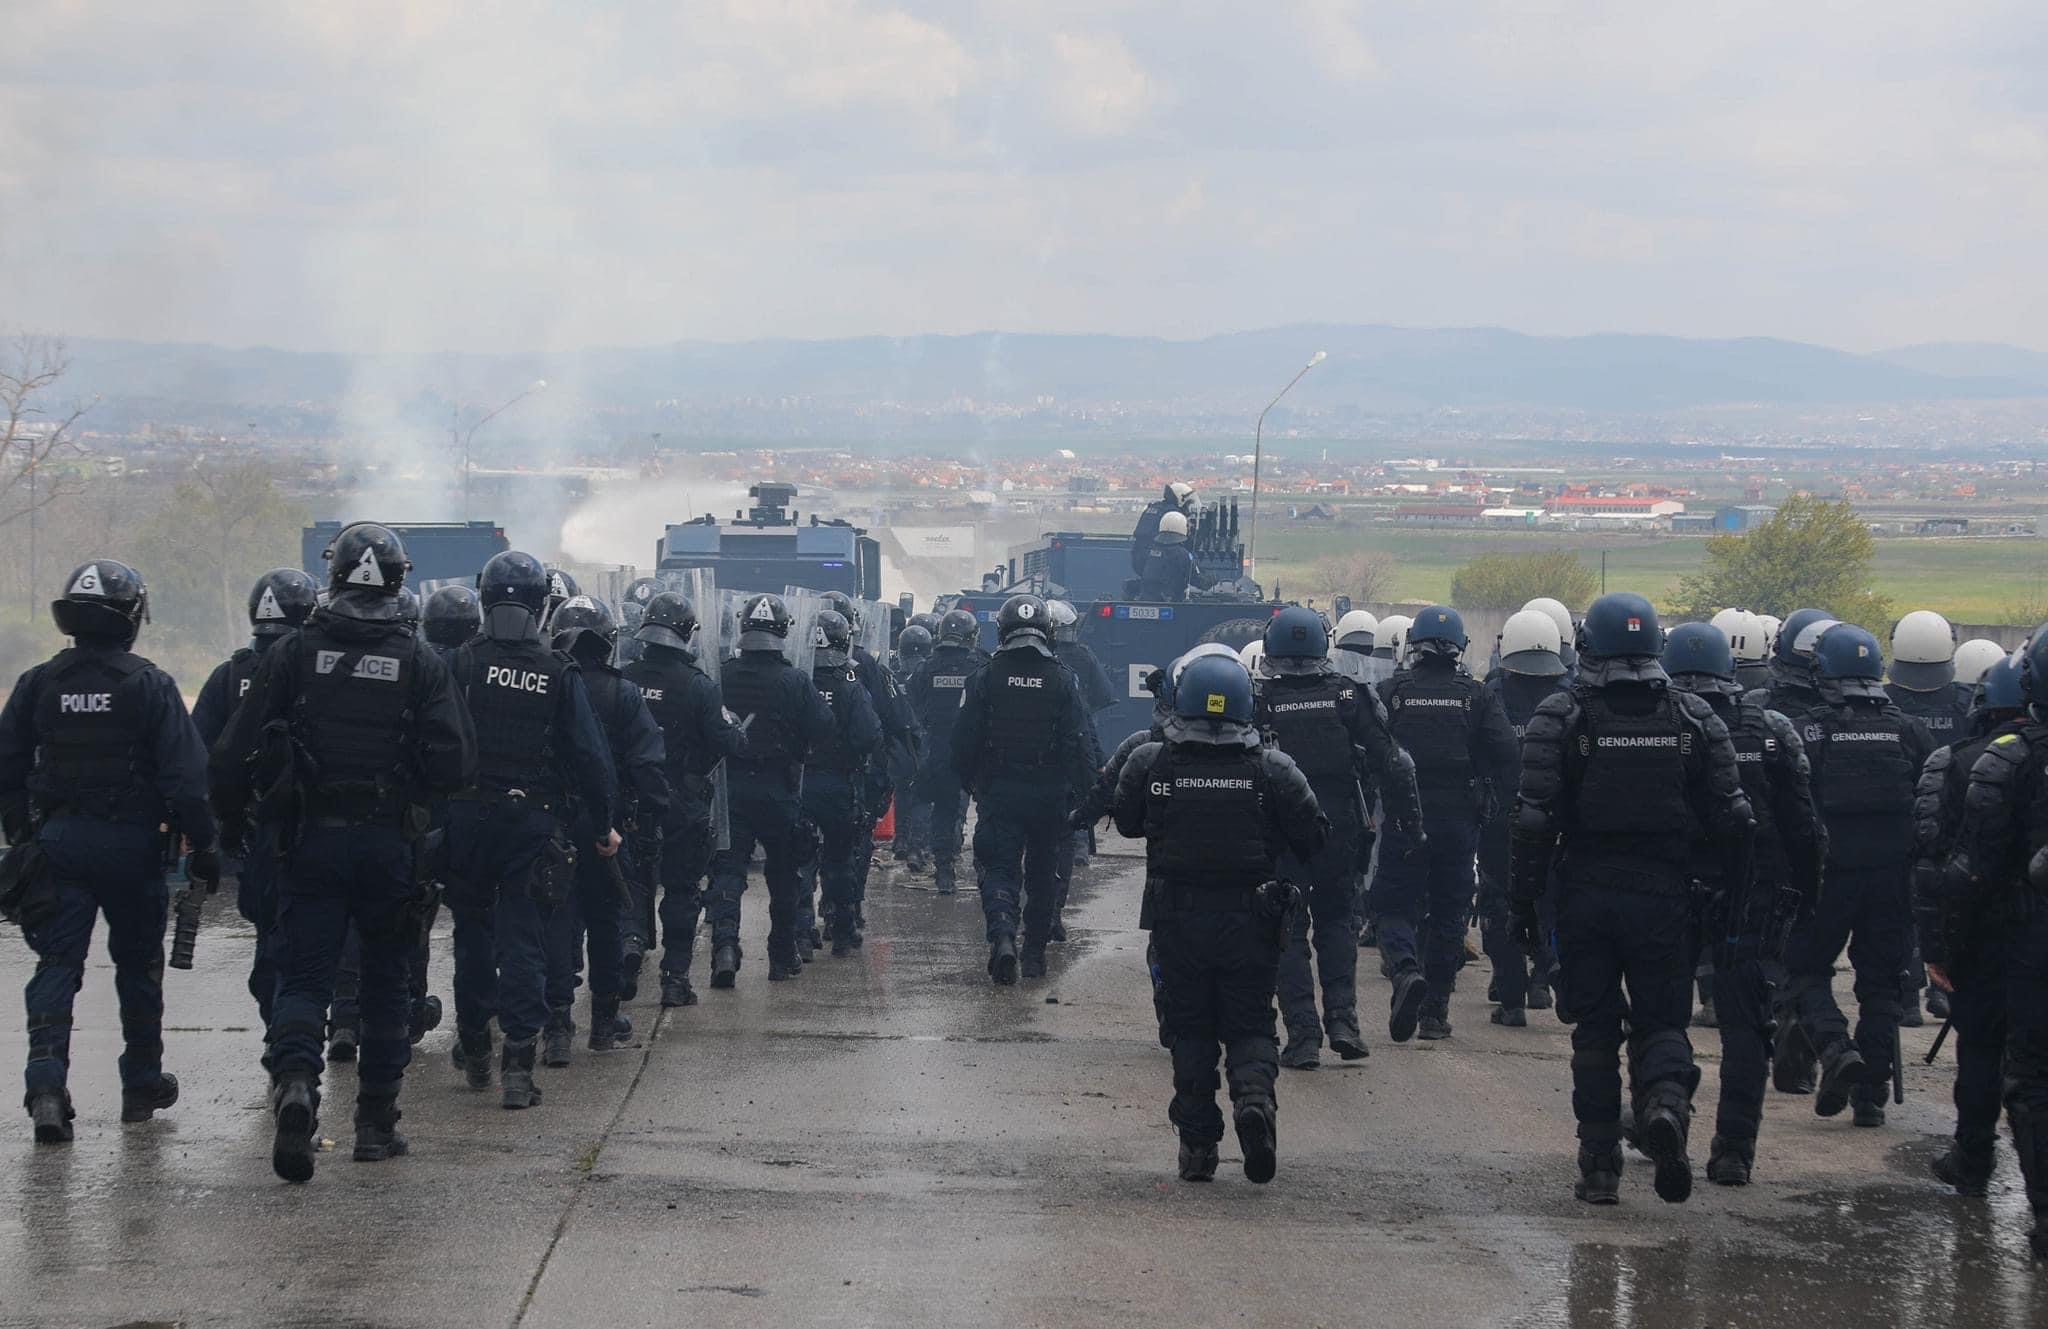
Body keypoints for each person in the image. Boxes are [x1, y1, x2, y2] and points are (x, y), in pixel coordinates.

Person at [211, 526, 474, 1180]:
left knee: (304, 975)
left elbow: (229, 755)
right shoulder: (420, 663)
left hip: (310, 842)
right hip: (389, 847)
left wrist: (235, 828)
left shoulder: (293, 653)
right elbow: (458, 763)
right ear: (396, 581)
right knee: (386, 983)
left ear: (333, 577)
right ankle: (376, 1127)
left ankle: (298, 1084)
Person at [1510, 592, 1754, 1206]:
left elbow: (1534, 820)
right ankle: (1666, 1107)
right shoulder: (1696, 717)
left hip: (1588, 893)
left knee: (1594, 1032)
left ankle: (1599, 1166)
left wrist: (1524, 902)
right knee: (1662, 1021)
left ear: (1589, 643)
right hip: (1667, 896)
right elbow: (1734, 817)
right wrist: (1729, 892)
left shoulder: (1561, 713)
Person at [1, 560, 218, 1145]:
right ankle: (141, 1085)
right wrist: (206, 845)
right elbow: (187, 780)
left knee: (57, 966)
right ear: (129, 619)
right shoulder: (149, 684)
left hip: (60, 845)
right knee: (138, 966)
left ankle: (46, 1086)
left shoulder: (36, 683)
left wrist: (23, 834)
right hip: (133, 848)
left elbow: (8, 767)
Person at [1111, 653, 1327, 1183]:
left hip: (1177, 922)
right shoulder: (1274, 767)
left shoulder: (1151, 762)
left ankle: (1199, 1147)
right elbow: (1315, 836)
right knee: (1251, 1022)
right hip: (1250, 921)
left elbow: (1127, 822)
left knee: (1190, 1030)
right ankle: (1255, 1103)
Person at [440, 551, 618, 1110]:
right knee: (523, 939)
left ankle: (473, 1044)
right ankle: (518, 1063)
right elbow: (590, 757)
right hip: (531, 821)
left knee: (471, 936)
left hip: (466, 821)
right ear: (544, 606)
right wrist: (604, 823)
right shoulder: (558, 673)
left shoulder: (458, 664)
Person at [1661, 623, 1825, 1186]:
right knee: (1746, 1027)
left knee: (1662, 1015)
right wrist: (1807, 898)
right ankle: (1733, 1151)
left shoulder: (1657, 723)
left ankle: (1667, 1114)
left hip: (1672, 888)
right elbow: (1805, 827)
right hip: (1754, 894)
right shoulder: (1770, 727)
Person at [1778, 624, 1934, 1129]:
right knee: (1883, 984)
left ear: (1822, 671)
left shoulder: (1811, 730)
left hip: (1828, 877)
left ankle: (1835, 1047)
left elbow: (1793, 808)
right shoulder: (1910, 731)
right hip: (1891, 879)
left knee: (1803, 970)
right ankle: (1871, 1096)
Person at [1256, 606, 1422, 1068]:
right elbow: (1395, 762)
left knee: (1286, 932)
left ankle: (1304, 1036)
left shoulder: (1258, 699)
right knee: (1336, 924)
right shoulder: (1348, 696)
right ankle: (1344, 1023)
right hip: (1339, 830)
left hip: (1280, 835)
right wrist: (1410, 824)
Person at [1944, 631, 2048, 1260]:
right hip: (2024, 934)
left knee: (2033, 1078)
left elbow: (1968, 870)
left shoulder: (2009, 758)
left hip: (2026, 941)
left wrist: (1946, 949)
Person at [1374, 605, 1519, 1041]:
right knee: (1450, 911)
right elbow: (1507, 752)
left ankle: (1403, 970)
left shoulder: (1392, 692)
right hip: (1459, 821)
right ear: (1460, 647)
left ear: (1412, 644)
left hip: (1404, 818)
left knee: (1391, 906)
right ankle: (1435, 1010)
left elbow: (1369, 748)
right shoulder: (1476, 696)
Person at [1914, 651, 2025, 1200]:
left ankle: (1973, 1158)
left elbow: (1934, 866)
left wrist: (1935, 950)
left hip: (1984, 938)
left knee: (1979, 1051)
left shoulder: (1955, 761)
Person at [541, 597, 668, 1063]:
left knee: (558, 920)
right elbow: (647, 761)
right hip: (609, 827)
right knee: (606, 922)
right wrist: (653, 810)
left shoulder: (547, 683)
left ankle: (556, 1026)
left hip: (553, 823)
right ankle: (602, 1023)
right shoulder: (623, 692)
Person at [192, 567, 318, 1029]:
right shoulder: (314, 669)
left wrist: (221, 828)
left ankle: (278, 1034)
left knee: (270, 937)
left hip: (251, 835)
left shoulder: (229, 676)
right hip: (308, 829)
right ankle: (302, 1032)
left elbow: (202, 757)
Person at [952, 594, 1098, 984]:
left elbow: (963, 739)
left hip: (1000, 792)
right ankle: (1034, 955)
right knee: (1042, 874)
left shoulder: (983, 676)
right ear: (1048, 632)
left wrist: (971, 782)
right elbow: (1079, 743)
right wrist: (1089, 799)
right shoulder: (1064, 678)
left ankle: (1002, 938)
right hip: (1050, 796)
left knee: (999, 868)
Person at [706, 593, 836, 986]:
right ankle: (781, 955)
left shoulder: (721, 674)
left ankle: (725, 948)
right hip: (779, 789)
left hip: (730, 790)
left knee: (728, 872)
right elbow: (825, 728)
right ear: (782, 632)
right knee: (783, 876)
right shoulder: (794, 679)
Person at [622, 592, 744, 1007]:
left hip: (631, 800)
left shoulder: (625, 677)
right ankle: (675, 980)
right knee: (681, 890)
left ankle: (630, 946)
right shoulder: (698, 686)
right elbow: (727, 741)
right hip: (682, 802)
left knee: (633, 883)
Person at [1476, 608, 1571, 1028]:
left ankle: (1512, 996)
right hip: (1556, 820)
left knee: (1500, 903)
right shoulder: (1573, 697)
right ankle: (1542, 979)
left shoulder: (1491, 694)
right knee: (1550, 900)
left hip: (1503, 820)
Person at [1887, 611, 1973, 1026]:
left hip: (1902, 818)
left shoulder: (1883, 701)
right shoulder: (1966, 703)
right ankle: (1944, 988)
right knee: (1950, 904)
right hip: (1954, 820)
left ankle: (1905, 997)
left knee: (1901, 909)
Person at [818, 591, 915, 947]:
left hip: (807, 775)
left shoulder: (797, 667)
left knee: (802, 852)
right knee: (851, 847)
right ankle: (845, 913)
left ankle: (809, 922)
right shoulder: (866, 668)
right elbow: (895, 720)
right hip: (854, 773)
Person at [798, 610, 882, 958]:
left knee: (798, 861)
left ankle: (800, 934)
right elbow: (870, 735)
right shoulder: (850, 685)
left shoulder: (796, 682)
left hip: (799, 782)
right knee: (839, 860)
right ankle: (843, 931)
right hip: (838, 784)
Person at [906, 609, 984, 896]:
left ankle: (945, 872)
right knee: (988, 813)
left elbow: (911, 704)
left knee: (943, 811)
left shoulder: (926, 668)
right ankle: (988, 870)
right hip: (977, 752)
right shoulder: (981, 664)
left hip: (939, 751)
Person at [1049, 598, 1118, 913]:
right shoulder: (1083, 656)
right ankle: (1078, 846)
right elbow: (1104, 696)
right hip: (1080, 735)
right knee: (1082, 785)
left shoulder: (1025, 659)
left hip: (1042, 742)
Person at [889, 623, 936, 871]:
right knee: (921, 796)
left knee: (902, 792)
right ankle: (917, 848)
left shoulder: (892, 677)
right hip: (922, 742)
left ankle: (900, 841)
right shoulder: (928, 674)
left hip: (898, 745)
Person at [1137, 512, 1215, 602]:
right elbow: (1199, 581)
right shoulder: (1183, 554)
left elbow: (1139, 569)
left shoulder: (1148, 550)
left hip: (1145, 598)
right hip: (1171, 601)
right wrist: (1212, 578)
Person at [1129, 481, 1195, 577]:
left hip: (1139, 559)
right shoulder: (1173, 514)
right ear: (1181, 499)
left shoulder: (1155, 507)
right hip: (1158, 563)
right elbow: (1181, 542)